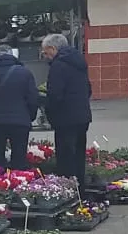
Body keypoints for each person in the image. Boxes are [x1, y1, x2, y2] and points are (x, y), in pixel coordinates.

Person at [39, 33, 92, 186]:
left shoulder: (58, 65)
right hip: (82, 117)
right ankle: (80, 189)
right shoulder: (79, 63)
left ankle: (68, 191)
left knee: (66, 159)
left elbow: (55, 95)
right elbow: (88, 89)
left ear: (53, 48)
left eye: (45, 51)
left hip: (65, 119)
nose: (46, 55)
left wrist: (45, 104)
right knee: (79, 156)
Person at [0, 45, 39, 171]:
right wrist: (29, 117)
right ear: (12, 55)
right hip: (20, 123)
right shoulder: (25, 73)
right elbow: (33, 99)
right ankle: (20, 186)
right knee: (19, 161)